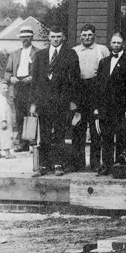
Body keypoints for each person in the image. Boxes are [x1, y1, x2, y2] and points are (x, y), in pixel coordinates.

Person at [31, 25, 83, 176]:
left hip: (62, 100)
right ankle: (43, 166)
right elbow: (35, 81)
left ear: (63, 37)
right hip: (44, 101)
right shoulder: (40, 55)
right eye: (53, 36)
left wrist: (73, 101)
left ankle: (58, 164)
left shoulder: (70, 54)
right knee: (45, 134)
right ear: (49, 37)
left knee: (60, 134)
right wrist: (33, 103)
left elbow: (75, 79)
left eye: (58, 36)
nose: (55, 39)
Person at [94, 32, 126, 174]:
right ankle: (106, 165)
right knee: (106, 138)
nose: (116, 45)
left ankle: (119, 166)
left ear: (123, 44)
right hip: (106, 107)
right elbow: (99, 86)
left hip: (122, 107)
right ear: (110, 44)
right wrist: (98, 107)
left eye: (119, 43)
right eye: (114, 43)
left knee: (121, 138)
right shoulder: (104, 62)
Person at [71, 23, 108, 171]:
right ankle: (78, 163)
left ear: (94, 36)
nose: (87, 38)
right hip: (79, 89)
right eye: (84, 35)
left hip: (96, 90)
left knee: (95, 129)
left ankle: (94, 163)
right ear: (80, 36)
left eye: (89, 35)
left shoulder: (102, 50)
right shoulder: (74, 51)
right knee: (78, 127)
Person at [6, 25, 39, 152]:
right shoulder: (14, 53)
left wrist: (32, 77)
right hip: (18, 85)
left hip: (31, 85)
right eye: (23, 37)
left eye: (28, 37)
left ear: (32, 37)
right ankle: (22, 143)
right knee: (19, 116)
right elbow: (7, 72)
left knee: (32, 114)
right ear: (20, 38)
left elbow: (42, 71)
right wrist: (10, 78)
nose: (25, 39)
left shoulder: (38, 53)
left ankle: (33, 142)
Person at [0, 81, 15, 159]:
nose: (6, 90)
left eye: (7, 88)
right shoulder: (2, 100)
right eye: (4, 88)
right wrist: (4, 120)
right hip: (3, 120)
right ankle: (7, 153)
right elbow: (2, 111)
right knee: (5, 135)